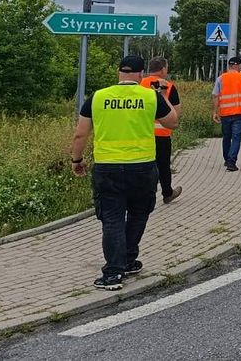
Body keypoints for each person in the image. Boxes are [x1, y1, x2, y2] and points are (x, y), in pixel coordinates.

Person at [71, 55, 178, 290]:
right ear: (141, 75)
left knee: (112, 219)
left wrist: (76, 160)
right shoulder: (150, 96)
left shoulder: (98, 97)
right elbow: (172, 122)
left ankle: (113, 273)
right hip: (142, 167)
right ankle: (128, 260)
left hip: (107, 168)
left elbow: (81, 134)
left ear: (119, 72)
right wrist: (160, 95)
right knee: (139, 214)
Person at [139, 57, 183, 204]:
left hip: (140, 133)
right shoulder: (169, 86)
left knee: (142, 164)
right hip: (162, 133)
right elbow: (176, 113)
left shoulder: (139, 84)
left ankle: (141, 194)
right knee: (163, 165)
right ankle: (167, 193)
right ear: (163, 69)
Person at [213, 56, 241, 171]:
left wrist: (215, 112)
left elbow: (215, 96)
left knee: (226, 137)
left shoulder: (221, 78)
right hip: (240, 113)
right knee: (236, 137)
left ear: (229, 66)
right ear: (238, 65)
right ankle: (232, 162)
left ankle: (227, 160)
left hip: (225, 113)